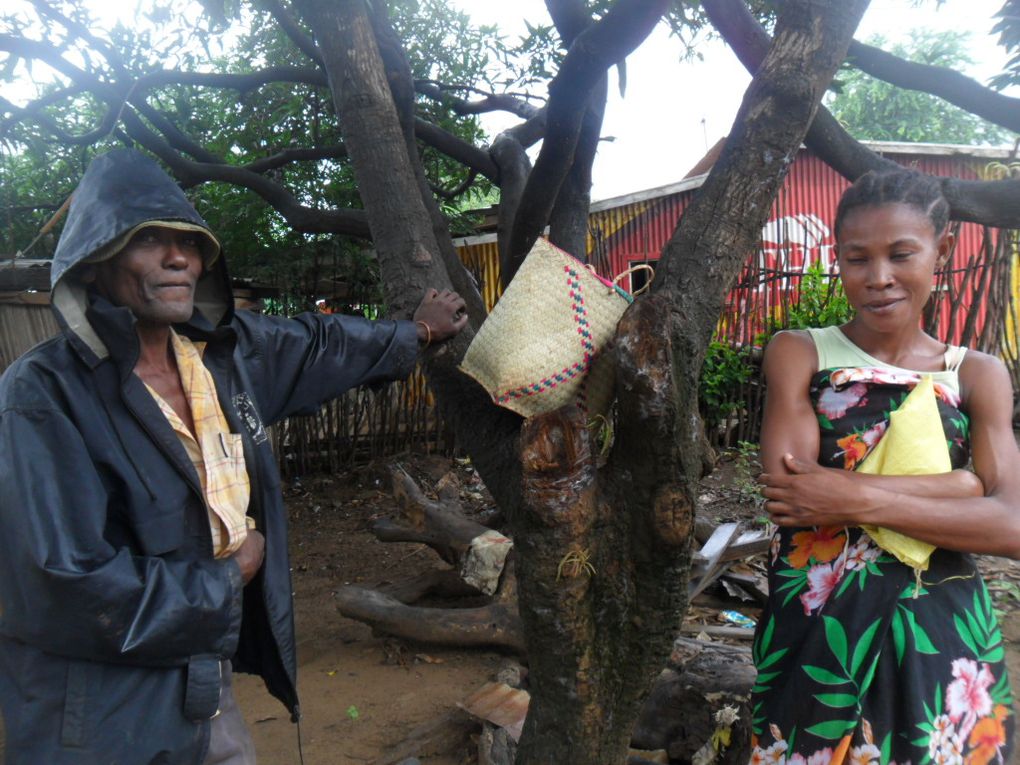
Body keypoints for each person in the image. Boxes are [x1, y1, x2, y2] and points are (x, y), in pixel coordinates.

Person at [0, 148, 468, 764]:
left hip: (201, 673)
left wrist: (418, 333)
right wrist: (226, 578)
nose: (178, 257)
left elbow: (319, 344)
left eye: (189, 243)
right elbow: (60, 582)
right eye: (149, 240)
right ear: (94, 264)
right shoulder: (43, 394)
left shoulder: (218, 358)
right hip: (95, 704)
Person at [753, 169, 1019, 764]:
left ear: (941, 252)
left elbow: (1010, 526)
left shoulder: (975, 374)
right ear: (838, 260)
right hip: (819, 624)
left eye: (901, 254)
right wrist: (957, 487)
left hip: (942, 631)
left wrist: (852, 499)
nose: (878, 278)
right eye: (857, 258)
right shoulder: (802, 351)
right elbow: (793, 497)